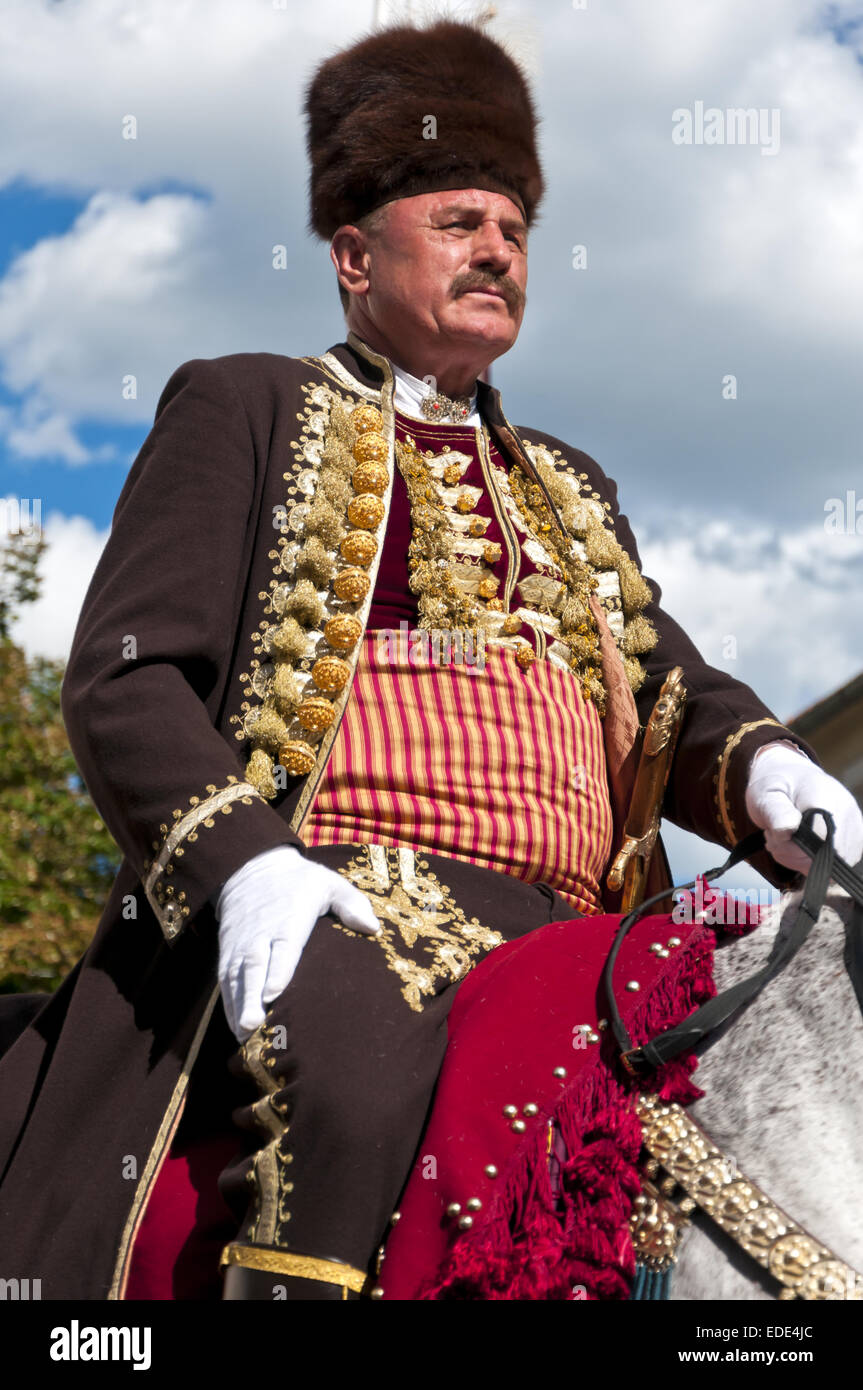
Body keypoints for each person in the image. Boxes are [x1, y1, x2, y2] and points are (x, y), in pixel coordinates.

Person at [0, 17, 860, 1302]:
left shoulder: (571, 484)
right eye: (460, 222)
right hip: (335, 897)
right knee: (345, 1062)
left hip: (573, 927)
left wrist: (765, 767)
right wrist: (248, 870)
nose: (498, 251)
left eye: (513, 232)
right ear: (354, 258)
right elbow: (125, 676)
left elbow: (661, 679)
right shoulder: (244, 404)